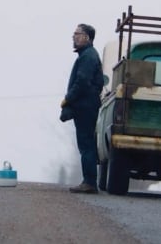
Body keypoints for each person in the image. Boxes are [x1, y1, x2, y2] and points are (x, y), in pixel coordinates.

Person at [60, 24, 104, 194]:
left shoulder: (88, 56)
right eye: (74, 34)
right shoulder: (87, 55)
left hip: (86, 106)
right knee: (86, 144)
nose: (74, 37)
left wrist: (68, 98)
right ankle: (89, 181)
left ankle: (89, 182)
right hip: (87, 105)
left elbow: (82, 82)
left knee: (86, 145)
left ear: (87, 37)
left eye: (77, 34)